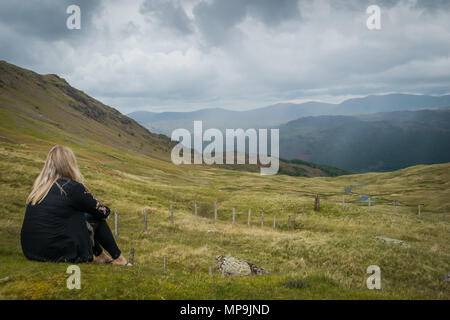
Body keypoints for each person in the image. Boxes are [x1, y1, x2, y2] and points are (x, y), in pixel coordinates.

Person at [20, 145, 132, 266]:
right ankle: (119, 258)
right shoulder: (73, 187)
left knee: (79, 217)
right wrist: (104, 210)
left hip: (32, 251)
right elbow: (102, 212)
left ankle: (101, 256)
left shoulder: (39, 188)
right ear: (70, 164)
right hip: (59, 253)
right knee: (94, 218)